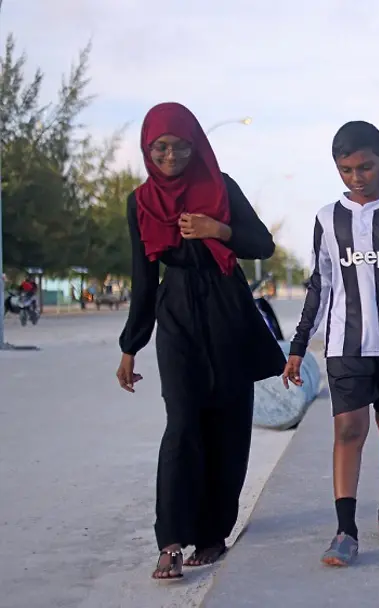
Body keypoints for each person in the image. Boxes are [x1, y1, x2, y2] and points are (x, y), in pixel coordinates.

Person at [116, 102, 285, 581]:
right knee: (183, 423)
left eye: (180, 145)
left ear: (196, 144)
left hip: (227, 311)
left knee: (229, 425)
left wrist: (218, 229)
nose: (170, 155)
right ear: (148, 149)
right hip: (177, 318)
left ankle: (212, 535)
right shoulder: (141, 202)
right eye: (160, 147)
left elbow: (261, 245)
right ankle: (169, 539)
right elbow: (142, 277)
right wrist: (131, 345)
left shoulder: (220, 187)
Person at [283, 121, 379, 567]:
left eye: (365, 167)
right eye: (346, 169)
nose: (357, 177)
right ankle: (345, 532)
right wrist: (297, 346)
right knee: (348, 428)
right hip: (345, 347)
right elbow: (320, 284)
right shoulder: (327, 219)